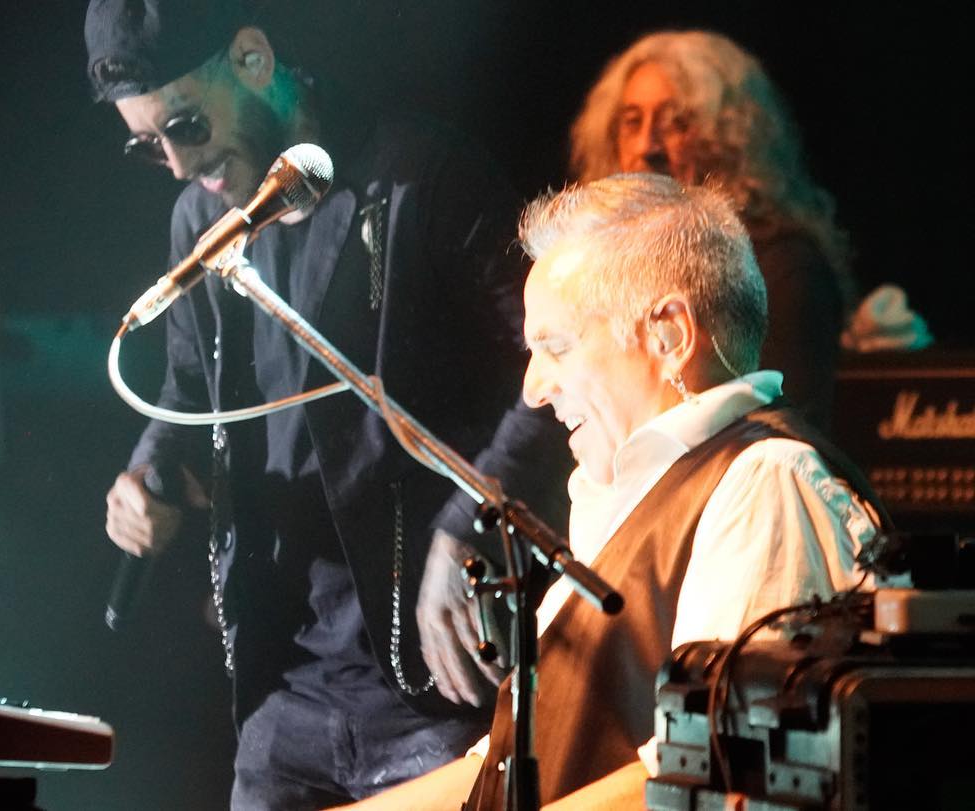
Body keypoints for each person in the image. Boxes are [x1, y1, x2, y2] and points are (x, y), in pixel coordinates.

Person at [85, 1, 571, 807]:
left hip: (430, 678)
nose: (175, 163)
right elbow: (185, 393)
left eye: (186, 126)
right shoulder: (200, 219)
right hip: (286, 687)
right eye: (148, 144)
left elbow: (556, 365)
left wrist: (469, 524)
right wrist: (148, 472)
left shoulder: (424, 173)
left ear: (251, 58)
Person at [334, 172, 886, 810]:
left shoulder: (767, 483)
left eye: (557, 347)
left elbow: (718, 769)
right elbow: (502, 769)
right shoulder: (626, 498)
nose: (535, 389)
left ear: (670, 335)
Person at [569, 30, 854, 430]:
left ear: (730, 139)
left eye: (676, 123)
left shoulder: (786, 268)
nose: (648, 145)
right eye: (632, 122)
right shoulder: (598, 264)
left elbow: (783, 438)